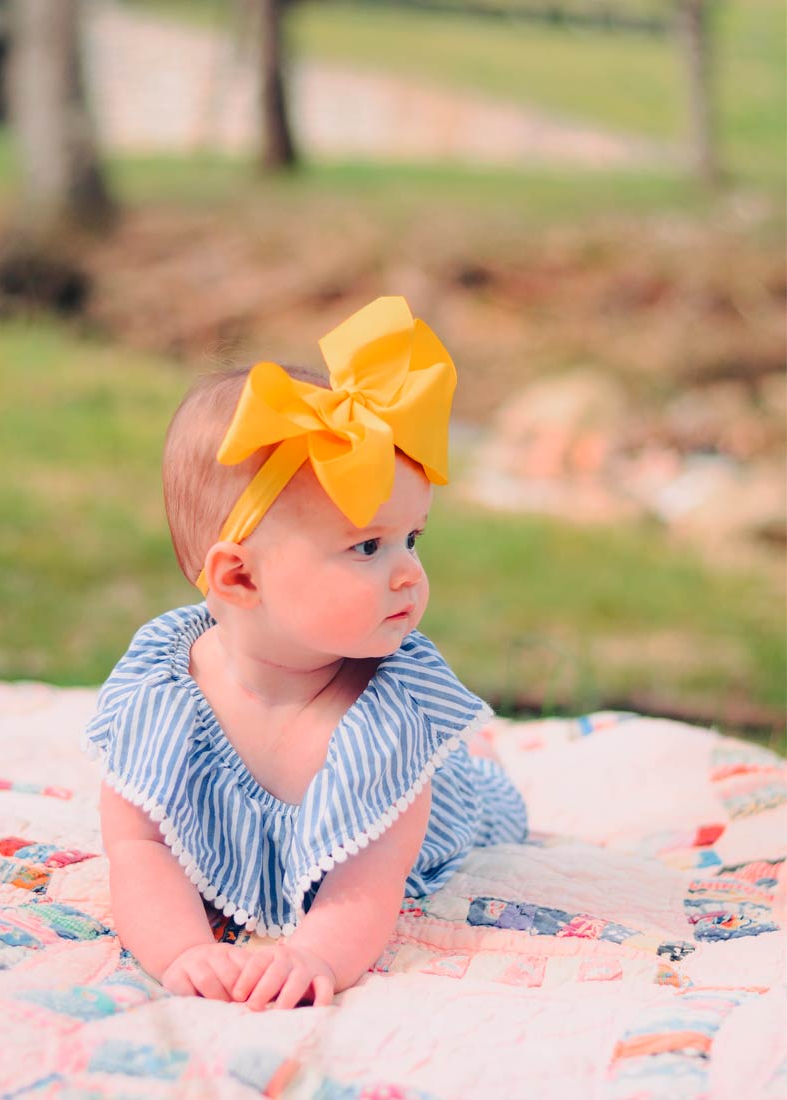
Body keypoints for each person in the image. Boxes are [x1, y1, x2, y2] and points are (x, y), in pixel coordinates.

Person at [84, 296, 528, 1011]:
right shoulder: (161, 686)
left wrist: (313, 954)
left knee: (484, 795)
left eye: (413, 538)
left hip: (415, 830)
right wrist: (183, 951)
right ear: (238, 576)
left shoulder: (391, 712)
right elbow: (139, 849)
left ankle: (476, 760)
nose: (409, 572)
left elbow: (368, 886)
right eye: (367, 546)